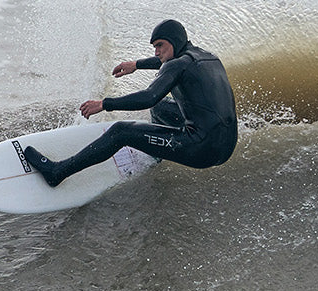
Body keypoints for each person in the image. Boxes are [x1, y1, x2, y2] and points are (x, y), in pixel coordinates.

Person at [23, 19, 238, 187]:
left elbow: (148, 97)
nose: (156, 52)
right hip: (226, 144)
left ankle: (57, 172)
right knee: (161, 107)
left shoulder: (177, 65)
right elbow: (165, 64)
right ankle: (157, 152)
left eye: (160, 45)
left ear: (174, 41)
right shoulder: (206, 57)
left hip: (203, 150)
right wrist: (136, 64)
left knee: (121, 132)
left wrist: (104, 104)